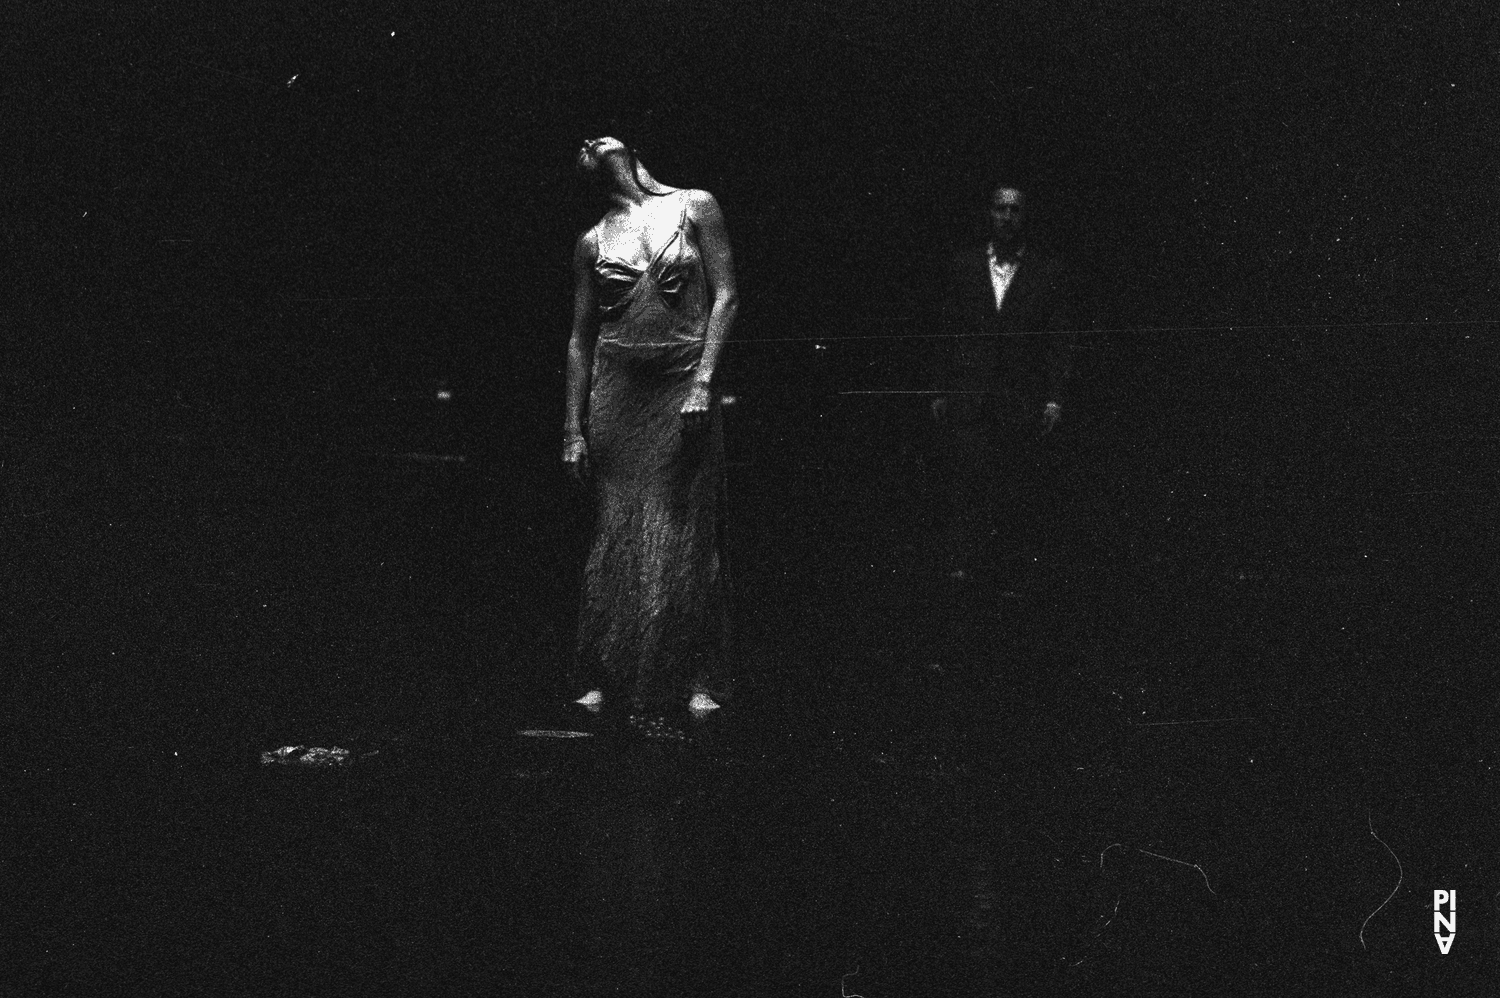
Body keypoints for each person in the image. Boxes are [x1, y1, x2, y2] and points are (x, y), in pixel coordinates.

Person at [563, 137, 738, 735]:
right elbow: (580, 337)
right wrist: (572, 428)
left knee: (683, 524)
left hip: (682, 380)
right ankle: (606, 669)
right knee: (615, 525)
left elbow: (726, 295)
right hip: (618, 389)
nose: (590, 142)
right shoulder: (592, 240)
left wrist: (705, 380)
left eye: (600, 136)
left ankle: (694, 675)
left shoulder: (695, 206)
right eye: (583, 147)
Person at [929, 181, 1079, 587]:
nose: (1007, 217)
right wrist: (940, 388)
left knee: (1015, 487)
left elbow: (1059, 339)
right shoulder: (964, 265)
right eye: (1000, 208)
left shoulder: (1047, 271)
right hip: (971, 394)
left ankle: (1010, 575)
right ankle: (961, 571)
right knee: (966, 483)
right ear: (989, 213)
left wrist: (1054, 397)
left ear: (1024, 217)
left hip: (1020, 396)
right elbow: (947, 329)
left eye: (1015, 210)